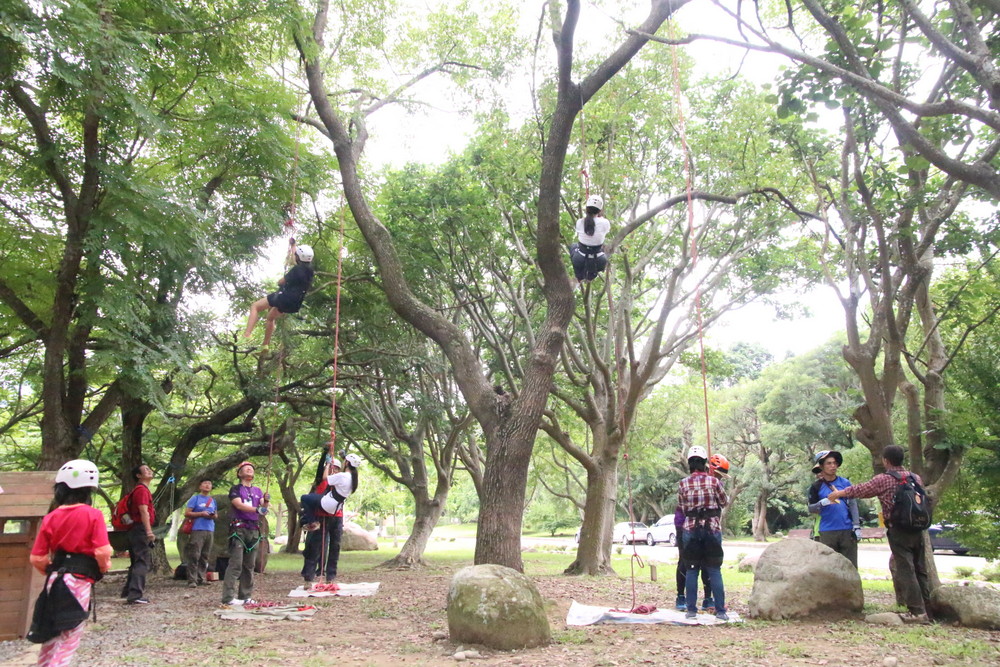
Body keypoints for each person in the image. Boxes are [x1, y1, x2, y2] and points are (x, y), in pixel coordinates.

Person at [828, 445, 932, 623]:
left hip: (898, 529)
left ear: (886, 460)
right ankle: (930, 608)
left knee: (906, 569)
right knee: (920, 568)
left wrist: (839, 493)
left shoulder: (884, 479)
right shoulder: (916, 478)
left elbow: (860, 490)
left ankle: (916, 611)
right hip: (918, 528)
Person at [28, 460, 112, 666]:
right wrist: (102, 569)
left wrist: (50, 571)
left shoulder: (51, 517)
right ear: (89, 489)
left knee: (50, 633)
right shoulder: (93, 515)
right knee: (70, 635)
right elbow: (102, 551)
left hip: (54, 578)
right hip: (79, 580)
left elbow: (37, 557)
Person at [677, 446, 729, 621]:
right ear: (705, 463)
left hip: (691, 531)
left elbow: (683, 508)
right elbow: (724, 501)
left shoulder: (683, 484)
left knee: (692, 570)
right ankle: (721, 611)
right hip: (712, 529)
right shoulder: (714, 482)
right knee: (714, 570)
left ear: (690, 464)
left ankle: (691, 610)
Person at [242, 240, 315, 349]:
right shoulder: (310, 271)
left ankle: (246, 334)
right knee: (270, 318)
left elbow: (281, 282)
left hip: (284, 297)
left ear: (299, 257)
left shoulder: (296, 270)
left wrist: (280, 280)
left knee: (255, 306)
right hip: (294, 304)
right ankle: (265, 345)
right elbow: (298, 260)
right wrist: (293, 246)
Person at [221, 461, 270, 606]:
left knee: (249, 565)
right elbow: (238, 505)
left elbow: (263, 506)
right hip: (239, 529)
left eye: (251, 468)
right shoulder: (235, 489)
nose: (249, 469)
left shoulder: (257, 491)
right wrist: (257, 510)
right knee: (236, 564)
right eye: (245, 468)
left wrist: (266, 501)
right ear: (239, 473)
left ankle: (245, 596)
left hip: (254, 529)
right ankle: (228, 597)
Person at [806, 450, 861, 567]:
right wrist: (822, 503)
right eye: (829, 463)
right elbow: (811, 509)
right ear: (821, 466)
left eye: (835, 463)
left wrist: (856, 525)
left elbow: (852, 504)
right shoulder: (816, 487)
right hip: (827, 531)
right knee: (828, 567)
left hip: (847, 530)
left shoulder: (845, 482)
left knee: (850, 566)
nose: (833, 466)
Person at [300, 455, 345, 584]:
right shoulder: (322, 480)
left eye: (336, 469)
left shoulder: (341, 482)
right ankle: (309, 577)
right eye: (331, 468)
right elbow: (320, 470)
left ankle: (330, 577)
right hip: (321, 516)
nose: (333, 471)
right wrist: (325, 459)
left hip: (336, 517)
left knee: (335, 547)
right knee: (314, 547)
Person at [121, 464, 156, 605]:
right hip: (140, 528)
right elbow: (143, 512)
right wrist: (149, 531)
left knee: (136, 560)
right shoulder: (141, 490)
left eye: (149, 468)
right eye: (146, 470)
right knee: (141, 561)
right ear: (138, 475)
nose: (149, 470)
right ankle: (135, 595)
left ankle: (127, 591)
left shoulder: (141, 490)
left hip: (135, 529)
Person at [299, 453, 361, 529]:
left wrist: (328, 464)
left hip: (328, 503)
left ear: (347, 463)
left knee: (305, 498)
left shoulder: (342, 476)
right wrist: (344, 457)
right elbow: (344, 471)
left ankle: (312, 522)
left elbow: (325, 477)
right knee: (313, 498)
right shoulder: (354, 479)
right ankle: (311, 520)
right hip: (336, 507)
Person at [569, 194, 611, 284]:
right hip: (599, 261)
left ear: (587, 209)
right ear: (600, 210)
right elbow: (604, 230)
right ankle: (590, 276)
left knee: (573, 246)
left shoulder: (580, 222)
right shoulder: (605, 223)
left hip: (580, 258)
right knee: (604, 248)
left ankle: (579, 277)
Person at [183, 478, 217, 588]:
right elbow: (187, 513)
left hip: (210, 529)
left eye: (209, 483)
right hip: (197, 529)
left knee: (205, 555)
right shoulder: (195, 498)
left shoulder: (212, 500)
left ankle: (201, 577)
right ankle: (192, 579)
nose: (207, 485)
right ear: (200, 486)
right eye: (205, 483)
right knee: (194, 554)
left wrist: (212, 515)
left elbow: (216, 515)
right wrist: (201, 513)